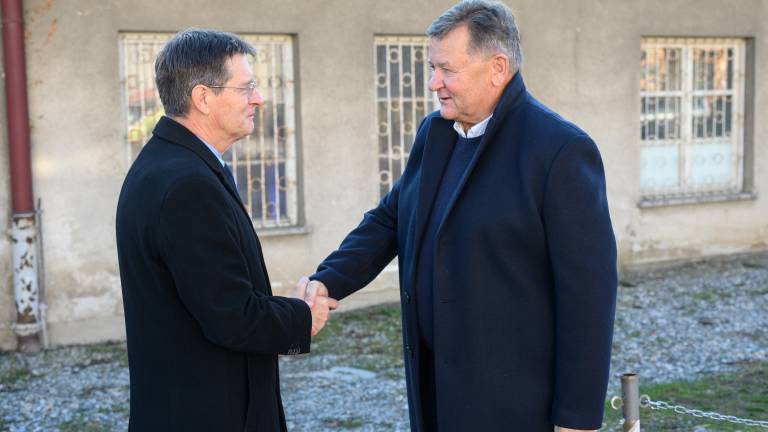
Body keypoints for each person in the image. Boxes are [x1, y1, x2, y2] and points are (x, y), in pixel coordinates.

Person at [299, 1, 617, 430]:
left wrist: (577, 419)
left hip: (514, 406)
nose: (434, 83)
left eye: (447, 70)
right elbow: (391, 219)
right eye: (433, 68)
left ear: (497, 68)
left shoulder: (559, 150)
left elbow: (588, 299)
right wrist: (327, 281)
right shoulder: (435, 133)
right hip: (435, 390)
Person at [116, 29, 337, 432]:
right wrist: (301, 317)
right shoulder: (187, 185)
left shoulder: (173, 163)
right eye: (246, 87)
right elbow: (231, 317)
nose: (259, 98)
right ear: (203, 98)